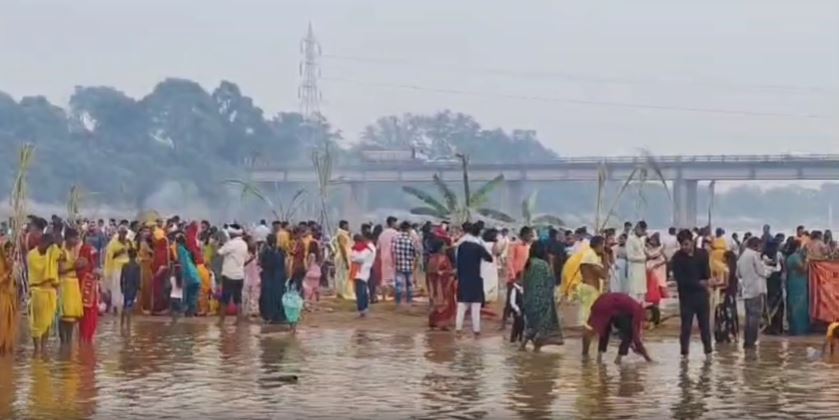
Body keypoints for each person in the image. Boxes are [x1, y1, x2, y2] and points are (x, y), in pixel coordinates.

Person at [671, 229, 713, 358]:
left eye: (687, 244)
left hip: (701, 296)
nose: (685, 247)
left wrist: (708, 283)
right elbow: (681, 280)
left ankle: (708, 353)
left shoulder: (703, 254)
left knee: (705, 326)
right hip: (686, 297)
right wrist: (699, 283)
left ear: (692, 241)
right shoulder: (677, 258)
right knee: (686, 327)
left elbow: (707, 274)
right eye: (682, 245)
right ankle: (684, 355)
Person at [583, 292, 653, 364]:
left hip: (602, 300)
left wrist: (634, 347)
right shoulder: (639, 312)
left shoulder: (635, 307)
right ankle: (617, 360)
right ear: (649, 313)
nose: (647, 323)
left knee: (603, 328)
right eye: (649, 320)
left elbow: (631, 335)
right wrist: (648, 358)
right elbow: (636, 339)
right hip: (605, 305)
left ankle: (592, 356)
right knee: (593, 331)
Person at [521, 241, 564, 351]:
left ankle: (522, 347)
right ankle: (536, 350)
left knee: (531, 325)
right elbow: (551, 281)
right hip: (541, 301)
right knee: (541, 327)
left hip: (529, 300)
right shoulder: (542, 264)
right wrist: (551, 263)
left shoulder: (529, 262)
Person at [455, 223, 493, 337]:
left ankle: (458, 330)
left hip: (463, 278)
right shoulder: (478, 247)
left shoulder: (461, 245)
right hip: (475, 278)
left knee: (461, 306)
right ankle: (476, 331)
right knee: (475, 308)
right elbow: (489, 258)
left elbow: (456, 259)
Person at [28, 233, 60, 354]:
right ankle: (37, 349)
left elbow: (62, 256)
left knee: (48, 322)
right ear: (42, 243)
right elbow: (41, 270)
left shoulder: (51, 253)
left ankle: (44, 348)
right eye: (48, 245)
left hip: (50, 291)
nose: (49, 248)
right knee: (36, 323)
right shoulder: (32, 255)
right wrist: (50, 255)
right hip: (37, 291)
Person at [737, 236, 770, 349]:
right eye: (760, 246)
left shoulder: (742, 256)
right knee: (755, 316)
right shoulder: (754, 255)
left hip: (746, 289)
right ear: (756, 245)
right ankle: (752, 340)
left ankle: (747, 341)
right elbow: (761, 271)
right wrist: (768, 271)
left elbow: (738, 274)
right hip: (756, 289)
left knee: (748, 317)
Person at [503, 226, 533, 329]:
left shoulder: (528, 247)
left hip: (525, 277)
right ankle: (503, 322)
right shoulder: (514, 245)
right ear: (524, 235)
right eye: (530, 235)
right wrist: (513, 275)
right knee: (509, 300)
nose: (531, 237)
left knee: (522, 301)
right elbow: (509, 261)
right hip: (514, 277)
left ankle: (520, 323)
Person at [217, 224, 248, 325]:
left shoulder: (231, 244)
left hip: (229, 274)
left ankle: (221, 321)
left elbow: (219, 252)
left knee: (225, 299)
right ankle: (238, 320)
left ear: (231, 233)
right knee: (238, 298)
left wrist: (219, 244)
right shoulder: (244, 244)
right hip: (240, 275)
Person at [57, 228, 84, 344]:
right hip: (65, 283)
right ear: (67, 238)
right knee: (63, 315)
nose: (75, 240)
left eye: (77, 238)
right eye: (73, 238)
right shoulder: (62, 251)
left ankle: (68, 342)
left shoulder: (73, 250)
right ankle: (63, 342)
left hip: (73, 284)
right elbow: (60, 269)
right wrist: (75, 266)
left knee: (72, 316)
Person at [427, 238, 456, 330]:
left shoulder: (431, 258)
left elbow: (430, 273)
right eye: (443, 246)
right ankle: (443, 323)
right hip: (443, 285)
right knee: (445, 303)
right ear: (439, 247)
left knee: (435, 303)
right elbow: (440, 272)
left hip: (434, 286)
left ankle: (434, 322)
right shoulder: (444, 258)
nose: (445, 248)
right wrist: (451, 273)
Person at [578, 236, 607, 330]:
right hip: (590, 289)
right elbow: (603, 275)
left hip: (589, 288)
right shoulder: (591, 255)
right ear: (598, 245)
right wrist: (605, 259)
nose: (603, 248)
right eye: (602, 245)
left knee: (589, 316)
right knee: (589, 318)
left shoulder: (590, 254)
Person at [259, 233, 287, 324]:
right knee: (278, 296)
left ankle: (269, 316)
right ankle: (278, 316)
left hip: (269, 277)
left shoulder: (266, 252)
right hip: (279, 277)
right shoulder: (280, 251)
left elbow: (262, 264)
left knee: (268, 297)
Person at [104, 226, 132, 315]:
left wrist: (130, 247)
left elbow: (132, 253)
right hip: (116, 268)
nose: (123, 235)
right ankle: (115, 306)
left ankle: (125, 306)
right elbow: (110, 256)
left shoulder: (128, 242)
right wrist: (120, 251)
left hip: (127, 267)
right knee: (116, 287)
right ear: (119, 233)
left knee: (126, 287)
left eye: (125, 233)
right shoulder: (113, 243)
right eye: (122, 233)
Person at [391, 221, 419, 305]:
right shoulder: (411, 240)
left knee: (399, 284)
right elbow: (415, 253)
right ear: (408, 229)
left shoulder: (395, 239)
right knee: (409, 284)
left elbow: (392, 251)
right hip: (409, 265)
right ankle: (409, 300)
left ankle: (398, 302)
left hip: (398, 264)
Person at [77, 237, 99, 343]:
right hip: (86, 294)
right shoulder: (85, 268)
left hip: (88, 294)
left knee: (86, 317)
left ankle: (84, 340)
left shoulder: (87, 268)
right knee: (87, 317)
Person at [785, 240, 810, 335]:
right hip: (797, 283)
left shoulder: (793, 256)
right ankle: (798, 329)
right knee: (798, 305)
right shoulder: (794, 257)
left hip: (796, 282)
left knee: (798, 304)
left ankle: (797, 328)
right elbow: (803, 269)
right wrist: (807, 260)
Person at [350, 233, 376, 317]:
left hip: (359, 271)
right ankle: (364, 308)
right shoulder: (369, 249)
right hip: (364, 271)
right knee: (362, 290)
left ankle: (362, 308)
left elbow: (357, 258)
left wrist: (354, 258)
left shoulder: (362, 249)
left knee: (360, 291)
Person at [763, 238, 785, 335]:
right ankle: (775, 327)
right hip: (774, 280)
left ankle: (772, 327)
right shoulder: (768, 256)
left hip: (770, 281)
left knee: (771, 304)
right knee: (776, 305)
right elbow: (782, 267)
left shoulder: (764, 256)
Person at [377, 217, 399, 301]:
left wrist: (379, 257)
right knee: (394, 276)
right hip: (394, 257)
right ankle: (394, 296)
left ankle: (383, 297)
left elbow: (378, 248)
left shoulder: (382, 234)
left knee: (384, 277)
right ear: (392, 223)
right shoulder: (396, 234)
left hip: (383, 257)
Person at [625, 221, 648, 303]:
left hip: (641, 269)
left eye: (644, 230)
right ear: (637, 228)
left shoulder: (641, 240)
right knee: (634, 292)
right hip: (634, 269)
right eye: (642, 230)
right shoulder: (630, 239)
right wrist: (643, 258)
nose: (643, 233)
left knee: (642, 291)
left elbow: (647, 252)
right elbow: (630, 257)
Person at [120, 248, 141, 330]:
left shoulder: (125, 265)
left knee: (125, 305)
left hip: (126, 288)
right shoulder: (137, 266)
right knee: (129, 306)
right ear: (135, 256)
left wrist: (122, 287)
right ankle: (128, 326)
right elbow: (137, 279)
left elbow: (121, 278)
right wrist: (138, 288)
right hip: (132, 288)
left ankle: (122, 324)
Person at [334, 220, 355, 301]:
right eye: (346, 225)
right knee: (343, 275)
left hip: (346, 255)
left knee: (344, 275)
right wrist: (345, 260)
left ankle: (343, 291)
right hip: (343, 257)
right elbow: (342, 247)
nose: (348, 226)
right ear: (343, 225)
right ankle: (343, 292)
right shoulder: (341, 234)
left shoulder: (345, 234)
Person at [480, 228, 501, 304]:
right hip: (491, 264)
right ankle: (487, 297)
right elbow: (497, 252)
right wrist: (496, 243)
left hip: (483, 263)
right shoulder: (493, 244)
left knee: (484, 279)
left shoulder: (483, 243)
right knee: (490, 280)